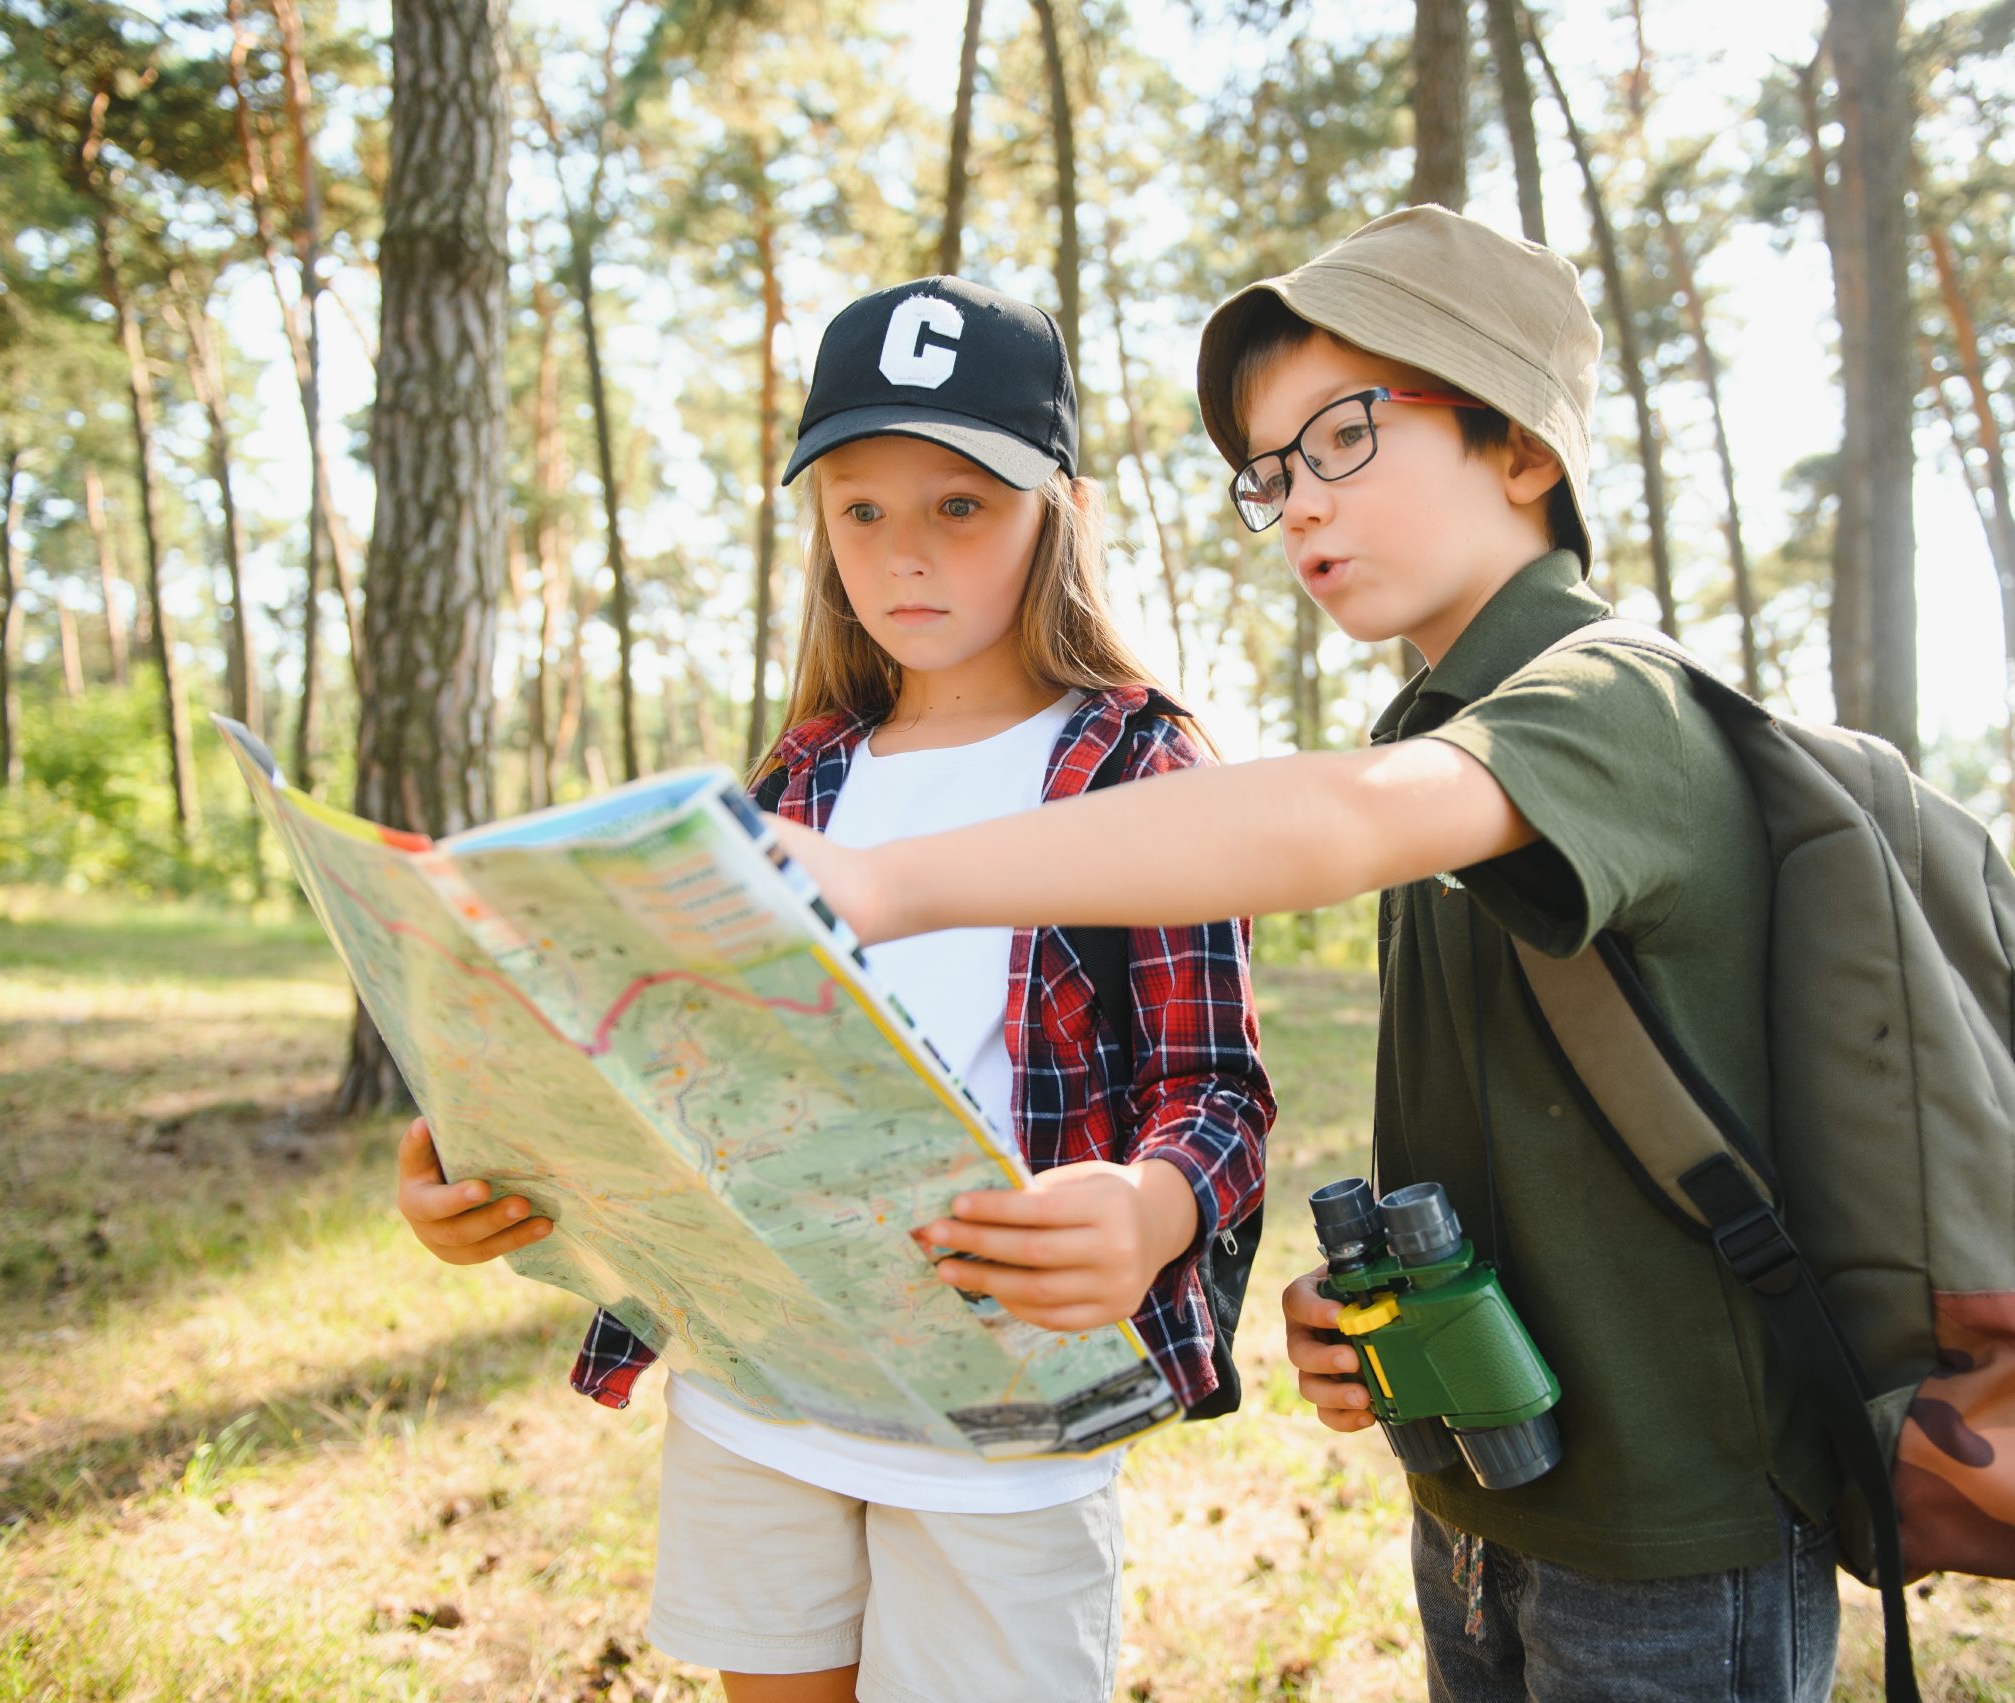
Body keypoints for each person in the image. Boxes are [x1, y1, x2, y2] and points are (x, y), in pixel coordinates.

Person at [771, 209, 1845, 1703]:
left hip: (1678, 1523)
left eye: (1343, 439)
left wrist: (886, 882)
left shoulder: (1605, 701)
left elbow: (1326, 819)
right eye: (1269, 475)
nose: (1296, 507)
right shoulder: (1450, 731)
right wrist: (1371, 1313)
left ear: (1524, 447)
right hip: (1493, 1489)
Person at [394, 275, 1273, 1703]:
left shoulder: (1135, 765)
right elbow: (672, 1060)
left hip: (1002, 1414)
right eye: (861, 507)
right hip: (760, 1387)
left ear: (1052, 509)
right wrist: (486, 1147)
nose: (904, 554)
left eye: (960, 506)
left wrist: (1153, 1205)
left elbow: (1215, 1088)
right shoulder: (798, 777)